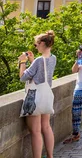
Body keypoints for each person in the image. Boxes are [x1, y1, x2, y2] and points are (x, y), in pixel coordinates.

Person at [19, 30, 57, 158]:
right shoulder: (53, 58)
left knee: (35, 131)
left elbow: (23, 77)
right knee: (46, 127)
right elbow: (41, 73)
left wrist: (23, 62)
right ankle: (50, 156)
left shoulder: (39, 60)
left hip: (34, 97)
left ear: (41, 43)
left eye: (36, 45)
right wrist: (32, 61)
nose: (36, 47)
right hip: (46, 94)